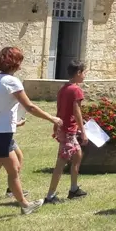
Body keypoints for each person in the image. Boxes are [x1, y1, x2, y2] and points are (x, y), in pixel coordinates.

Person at [0, 47, 63, 225]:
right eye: (20, 61)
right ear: (15, 63)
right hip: (1, 136)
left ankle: (25, 205)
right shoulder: (12, 82)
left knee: (14, 169)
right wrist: (52, 119)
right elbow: (30, 107)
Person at [44, 60, 89, 204]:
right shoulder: (76, 90)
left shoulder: (63, 88)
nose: (85, 75)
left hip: (64, 129)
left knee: (77, 155)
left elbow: (59, 109)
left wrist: (55, 127)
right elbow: (77, 112)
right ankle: (50, 196)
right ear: (78, 73)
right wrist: (83, 132)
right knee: (61, 163)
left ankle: (74, 189)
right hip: (69, 130)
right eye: (84, 72)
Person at [0, 114, 27, 200]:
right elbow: (0, 118)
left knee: (18, 157)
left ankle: (11, 189)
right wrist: (18, 124)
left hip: (1, 134)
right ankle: (14, 192)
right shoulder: (0, 101)